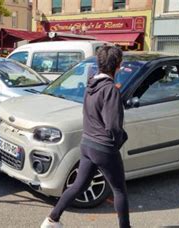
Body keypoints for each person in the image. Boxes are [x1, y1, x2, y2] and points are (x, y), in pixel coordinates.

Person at [41, 46, 130, 228]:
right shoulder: (110, 89)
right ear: (118, 65)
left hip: (87, 144)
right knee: (119, 190)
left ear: (99, 63)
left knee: (78, 186)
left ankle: (52, 220)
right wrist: (120, 138)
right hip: (104, 147)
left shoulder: (91, 85)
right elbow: (113, 125)